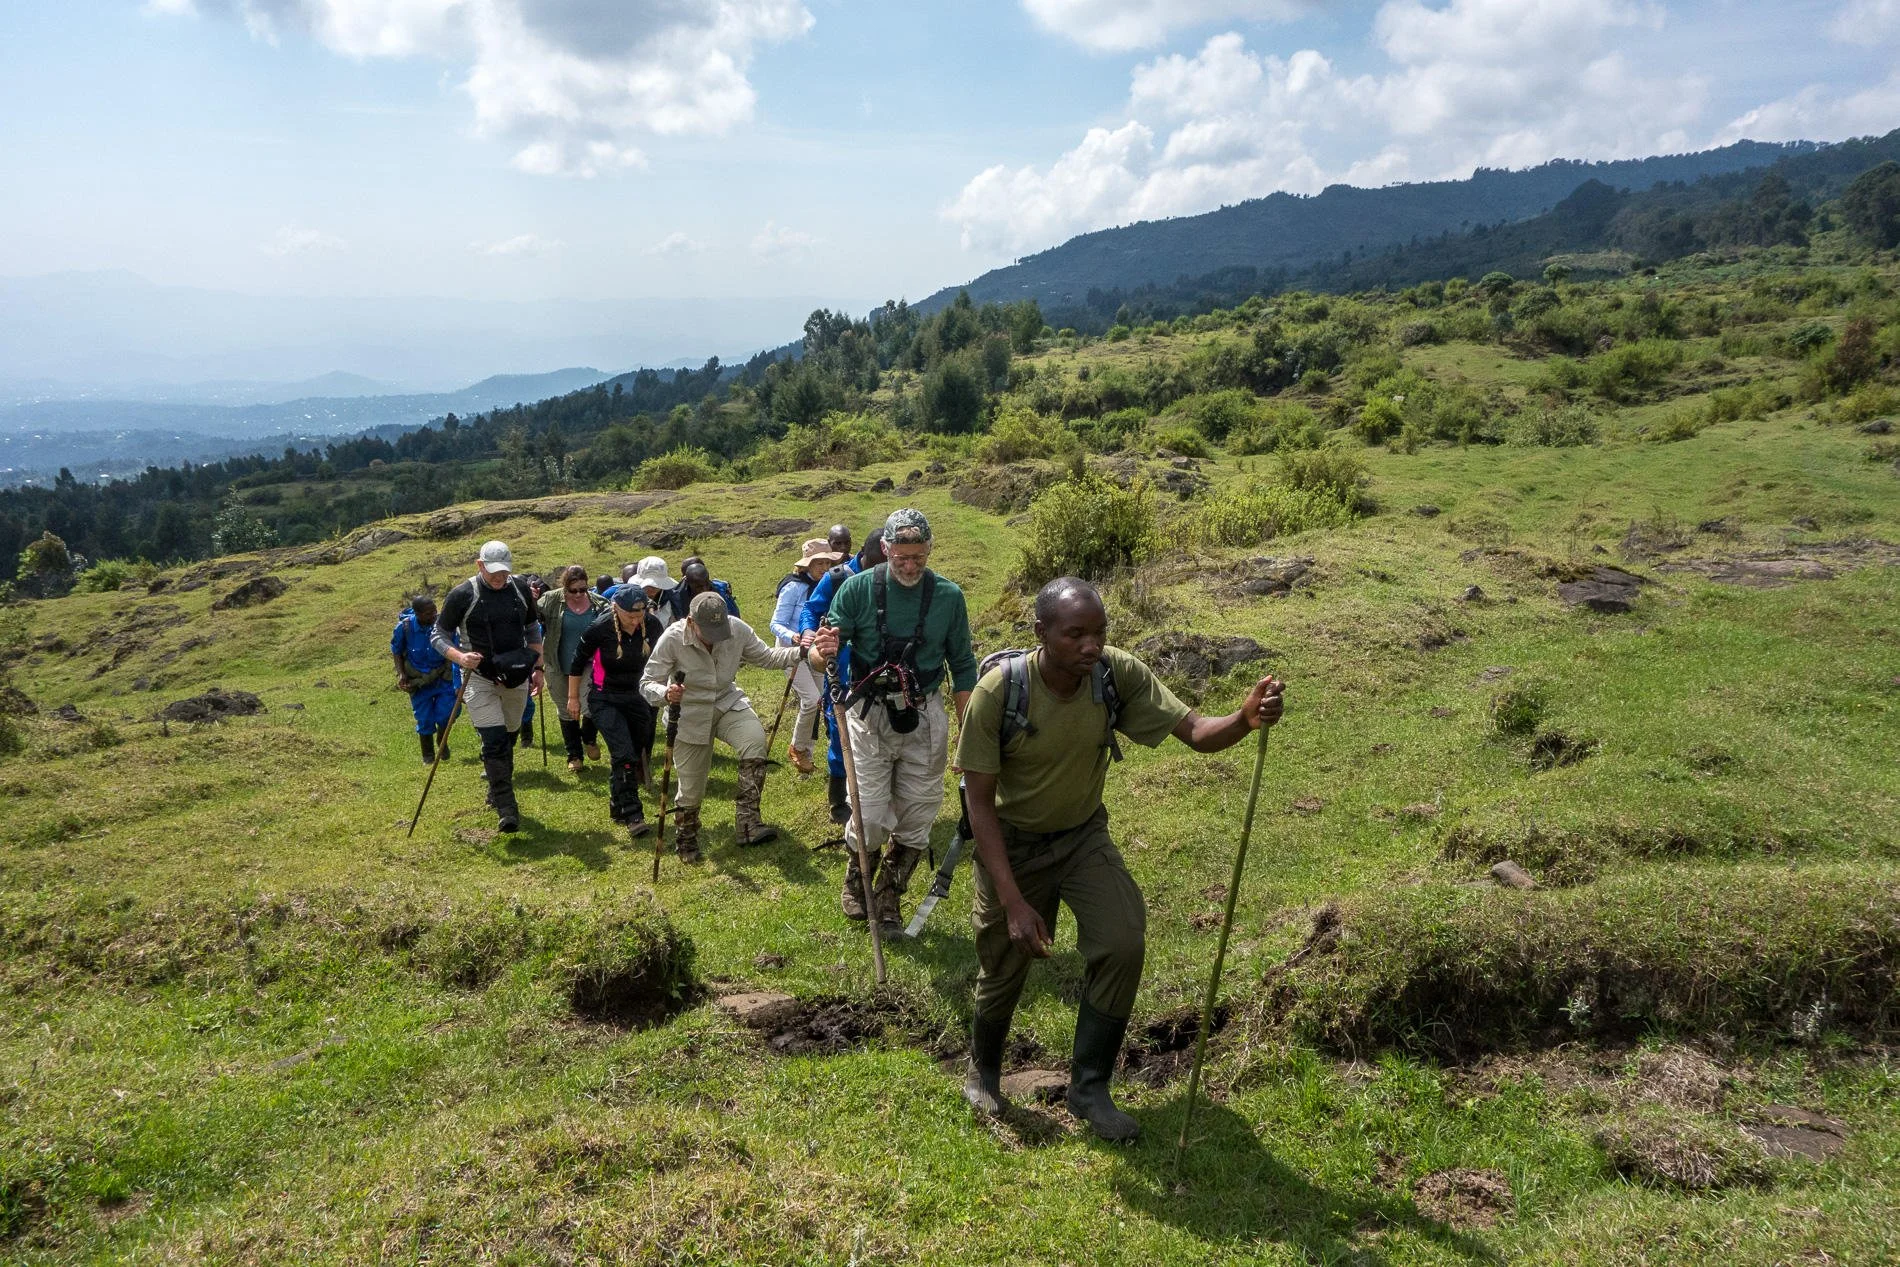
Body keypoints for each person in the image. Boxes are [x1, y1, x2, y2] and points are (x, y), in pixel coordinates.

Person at [954, 577, 1284, 1141]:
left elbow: (1197, 733)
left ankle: (1089, 1088)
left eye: (1099, 632)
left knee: (1124, 938)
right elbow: (978, 803)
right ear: (1041, 633)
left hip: (1083, 836)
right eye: (1075, 634)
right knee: (1007, 962)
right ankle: (984, 1072)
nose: (1090, 645)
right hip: (1011, 843)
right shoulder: (998, 692)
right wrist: (1012, 900)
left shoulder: (1114, 674)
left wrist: (1244, 718)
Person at [811, 508, 978, 931]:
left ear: (929, 552)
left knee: (918, 816)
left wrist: (969, 735)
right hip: (868, 716)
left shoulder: (948, 596)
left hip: (925, 714)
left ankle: (889, 892)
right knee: (868, 813)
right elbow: (820, 653)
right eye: (900, 557)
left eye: (918, 558)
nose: (908, 566)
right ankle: (858, 878)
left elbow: (962, 666)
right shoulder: (855, 590)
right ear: (885, 550)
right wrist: (822, 650)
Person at [640, 591, 823, 860]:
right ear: (691, 622)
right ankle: (687, 839)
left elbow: (767, 657)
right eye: (709, 630)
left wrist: (804, 652)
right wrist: (665, 693)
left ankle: (748, 823)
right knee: (691, 787)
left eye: (719, 628)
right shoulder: (672, 638)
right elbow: (646, 682)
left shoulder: (736, 629)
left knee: (754, 742)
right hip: (689, 713)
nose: (716, 636)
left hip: (727, 701)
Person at [433, 540, 544, 832]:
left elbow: (532, 628)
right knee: (494, 740)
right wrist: (460, 657)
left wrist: (538, 667)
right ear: (480, 565)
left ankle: (495, 790)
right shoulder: (463, 594)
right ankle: (508, 809)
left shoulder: (519, 589)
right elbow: (439, 634)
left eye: (504, 572)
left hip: (517, 675)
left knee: (507, 738)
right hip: (479, 677)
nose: (499, 578)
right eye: (493, 572)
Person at [799, 527, 888, 824]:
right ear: (865, 553)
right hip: (842, 667)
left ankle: (876, 792)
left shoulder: (893, 577)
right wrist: (810, 633)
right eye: (876, 564)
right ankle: (839, 797)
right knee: (840, 731)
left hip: (879, 667)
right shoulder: (837, 578)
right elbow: (811, 610)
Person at [568, 587, 663, 837]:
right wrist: (573, 699)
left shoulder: (652, 626)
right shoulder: (599, 629)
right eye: (630, 616)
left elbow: (665, 658)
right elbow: (577, 662)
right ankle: (634, 814)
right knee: (623, 753)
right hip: (605, 697)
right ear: (616, 609)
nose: (636, 620)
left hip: (640, 697)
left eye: (639, 615)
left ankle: (616, 804)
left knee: (631, 752)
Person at [770, 537, 842, 774]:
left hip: (815, 651)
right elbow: (776, 623)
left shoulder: (829, 585)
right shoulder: (792, 587)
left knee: (820, 699)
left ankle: (806, 755)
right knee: (811, 699)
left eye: (826, 563)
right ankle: (797, 748)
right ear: (806, 564)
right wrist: (794, 636)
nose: (823, 568)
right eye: (817, 563)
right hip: (790, 651)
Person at [540, 564, 609, 774]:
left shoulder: (599, 604)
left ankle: (588, 738)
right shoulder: (550, 600)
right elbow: (531, 616)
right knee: (566, 710)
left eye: (583, 589)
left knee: (591, 706)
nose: (578, 594)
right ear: (564, 588)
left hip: (589, 665)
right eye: (573, 590)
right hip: (558, 664)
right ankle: (574, 755)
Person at [390, 594, 460, 766]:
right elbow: (397, 651)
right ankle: (428, 757)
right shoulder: (404, 628)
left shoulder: (443, 624)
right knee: (425, 718)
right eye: (428, 613)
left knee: (448, 713)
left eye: (434, 611)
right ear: (417, 613)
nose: (433, 615)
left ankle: (442, 743)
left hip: (444, 677)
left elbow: (456, 647)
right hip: (419, 681)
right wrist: (401, 674)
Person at [657, 558, 739, 624]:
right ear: (686, 581)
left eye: (707, 584)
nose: (705, 590)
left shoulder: (721, 590)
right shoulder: (675, 598)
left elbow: (734, 619)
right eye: (698, 587)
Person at [632, 556, 679, 629]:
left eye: (655, 586)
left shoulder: (672, 599)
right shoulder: (630, 599)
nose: (652, 589)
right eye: (648, 586)